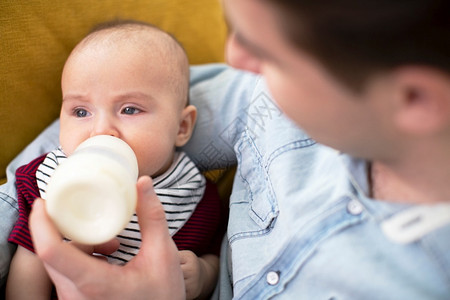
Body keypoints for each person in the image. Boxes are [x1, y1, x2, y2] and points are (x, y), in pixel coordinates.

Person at [2, 0, 450, 298]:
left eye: (270, 55)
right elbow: (131, 88)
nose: (232, 59)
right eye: (234, 28)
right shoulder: (260, 106)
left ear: (414, 98)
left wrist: (201, 277)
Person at [5, 20, 223, 300]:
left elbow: (219, 253)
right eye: (81, 112)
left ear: (181, 127)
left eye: (130, 109)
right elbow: (30, 259)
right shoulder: (48, 180)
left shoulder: (195, 195)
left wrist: (204, 273)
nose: (100, 130)